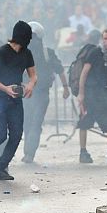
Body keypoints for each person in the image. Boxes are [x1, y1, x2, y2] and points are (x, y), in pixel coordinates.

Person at [0, 21, 37, 180]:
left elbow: (33, 75)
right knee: (0, 134)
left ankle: (2, 168)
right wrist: (5, 88)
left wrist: (30, 85)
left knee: (17, 134)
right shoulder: (2, 52)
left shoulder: (27, 53)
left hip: (15, 99)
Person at [76, 28, 107, 164]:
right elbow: (84, 73)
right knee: (85, 122)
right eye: (105, 39)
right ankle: (83, 152)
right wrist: (81, 94)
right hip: (91, 93)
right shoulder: (95, 52)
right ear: (102, 39)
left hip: (104, 93)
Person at [21, 21, 69, 163]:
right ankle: (29, 154)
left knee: (30, 124)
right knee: (33, 123)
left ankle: (28, 153)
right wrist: (65, 87)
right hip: (32, 94)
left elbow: (59, 70)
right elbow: (60, 71)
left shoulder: (31, 52)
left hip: (34, 94)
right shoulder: (45, 52)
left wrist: (66, 87)